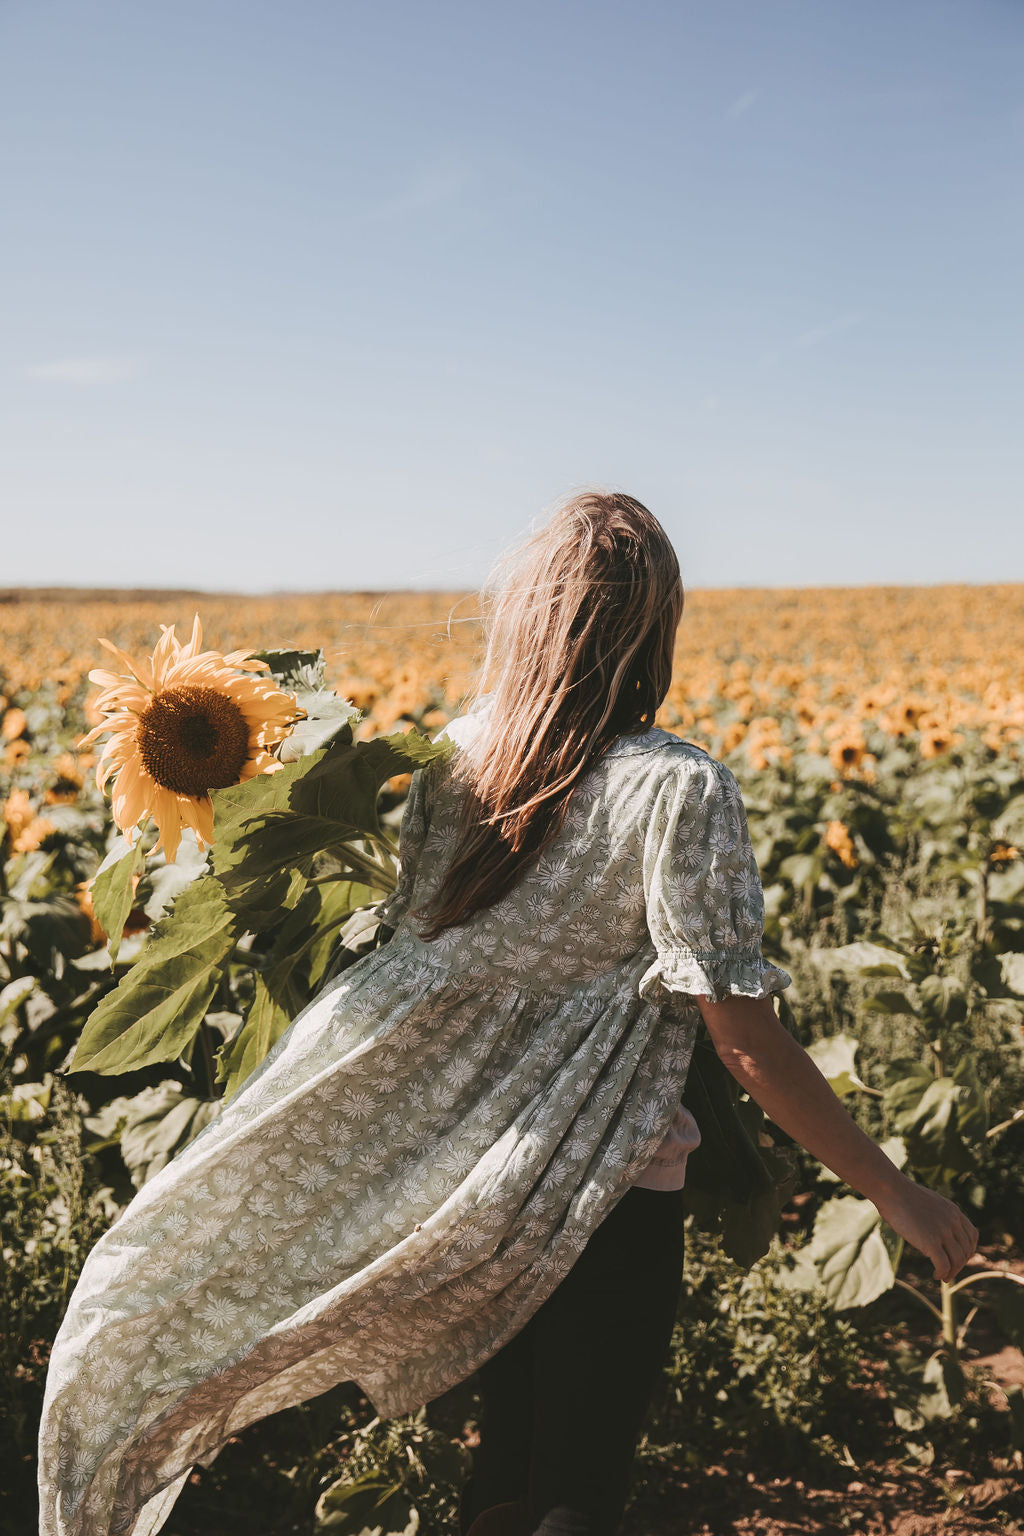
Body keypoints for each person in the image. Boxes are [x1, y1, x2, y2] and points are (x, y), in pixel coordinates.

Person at [37, 491, 979, 1536]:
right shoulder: (678, 788)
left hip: (468, 1189)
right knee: (577, 1476)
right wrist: (894, 1192)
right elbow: (743, 1041)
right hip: (601, 1187)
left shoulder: (458, 756)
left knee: (507, 1463)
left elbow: (421, 963)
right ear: (656, 624)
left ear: (523, 620)